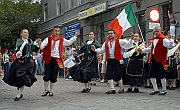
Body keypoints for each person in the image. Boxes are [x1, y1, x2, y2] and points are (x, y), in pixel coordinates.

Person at [39, 26, 79, 96]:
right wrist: (39, 44)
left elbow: (69, 42)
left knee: (54, 76)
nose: (57, 32)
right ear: (53, 31)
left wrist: (75, 36)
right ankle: (46, 90)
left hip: (57, 60)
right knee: (47, 75)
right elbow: (42, 46)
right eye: (55, 31)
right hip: (49, 59)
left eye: (58, 31)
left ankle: (51, 91)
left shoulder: (61, 40)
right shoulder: (48, 39)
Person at [3, 29, 39, 101]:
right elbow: (17, 49)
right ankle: (19, 92)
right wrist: (18, 53)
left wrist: (37, 45)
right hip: (21, 62)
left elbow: (34, 50)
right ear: (21, 34)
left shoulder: (30, 41)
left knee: (24, 77)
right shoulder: (19, 41)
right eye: (25, 32)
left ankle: (18, 94)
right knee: (20, 77)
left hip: (29, 62)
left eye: (27, 33)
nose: (26, 34)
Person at [93, 30, 133, 94]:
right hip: (109, 60)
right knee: (109, 74)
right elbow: (102, 50)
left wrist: (131, 39)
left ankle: (121, 88)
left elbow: (128, 45)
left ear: (114, 34)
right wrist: (95, 50)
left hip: (116, 59)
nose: (110, 34)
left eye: (111, 33)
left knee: (118, 74)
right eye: (109, 33)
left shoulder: (118, 41)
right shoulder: (106, 42)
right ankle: (112, 89)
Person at [138, 26, 175, 95]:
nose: (156, 32)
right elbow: (150, 48)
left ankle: (164, 90)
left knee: (162, 75)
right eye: (155, 31)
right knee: (151, 75)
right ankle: (155, 89)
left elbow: (170, 45)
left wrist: (170, 39)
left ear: (161, 31)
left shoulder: (164, 39)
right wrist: (142, 50)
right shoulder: (154, 40)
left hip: (161, 60)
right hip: (154, 59)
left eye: (157, 31)